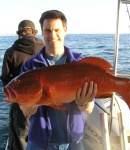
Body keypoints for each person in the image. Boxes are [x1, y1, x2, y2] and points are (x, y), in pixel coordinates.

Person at [19, 10, 97, 150]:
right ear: (42, 32)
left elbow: (89, 108)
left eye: (57, 30)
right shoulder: (30, 67)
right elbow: (26, 111)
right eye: (47, 30)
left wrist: (83, 103)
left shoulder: (80, 63)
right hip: (39, 143)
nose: (52, 35)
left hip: (73, 143)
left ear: (65, 30)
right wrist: (31, 101)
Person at [0, 19, 44, 150]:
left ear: (19, 32)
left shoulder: (11, 52)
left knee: (20, 137)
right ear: (34, 32)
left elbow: (6, 79)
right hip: (44, 100)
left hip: (21, 103)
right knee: (42, 135)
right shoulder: (45, 49)